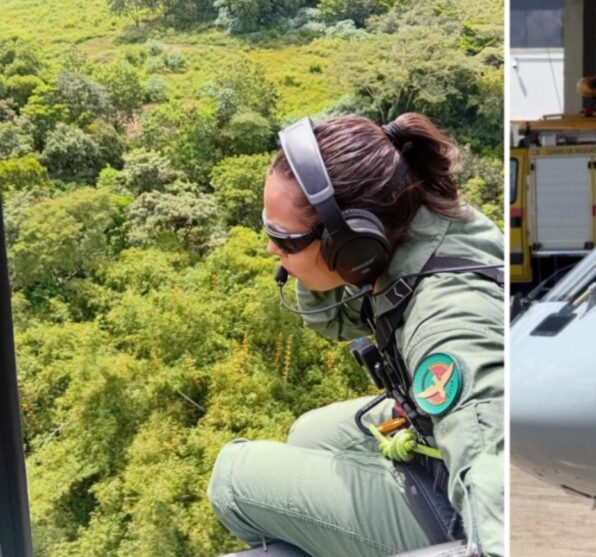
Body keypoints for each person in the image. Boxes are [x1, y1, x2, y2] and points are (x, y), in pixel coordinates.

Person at [206, 113, 504, 557]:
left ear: (351, 240)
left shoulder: (448, 321)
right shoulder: (408, 228)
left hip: (459, 511)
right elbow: (335, 320)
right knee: (309, 434)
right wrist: (322, 258)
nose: (270, 249)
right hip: (429, 435)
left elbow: (494, 472)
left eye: (283, 239)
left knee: (232, 478)